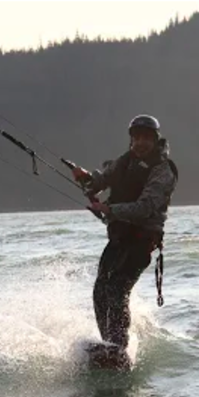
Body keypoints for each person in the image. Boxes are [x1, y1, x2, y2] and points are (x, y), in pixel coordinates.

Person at [72, 115, 178, 360]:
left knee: (118, 288)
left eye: (146, 138)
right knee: (100, 289)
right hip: (119, 238)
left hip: (142, 241)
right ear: (131, 139)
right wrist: (86, 178)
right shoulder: (125, 161)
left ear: (155, 140)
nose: (140, 143)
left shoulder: (163, 170)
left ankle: (119, 346)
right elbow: (101, 180)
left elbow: (145, 207)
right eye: (136, 137)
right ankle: (108, 343)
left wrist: (110, 210)